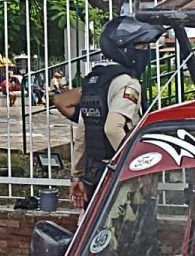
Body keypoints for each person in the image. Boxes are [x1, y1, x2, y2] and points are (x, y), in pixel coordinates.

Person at [70, 17, 166, 210]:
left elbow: (82, 133)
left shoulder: (95, 82)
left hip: (95, 175)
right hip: (121, 178)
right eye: (141, 47)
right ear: (126, 50)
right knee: (136, 232)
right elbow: (113, 129)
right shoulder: (129, 83)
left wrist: (78, 176)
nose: (145, 52)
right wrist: (136, 169)